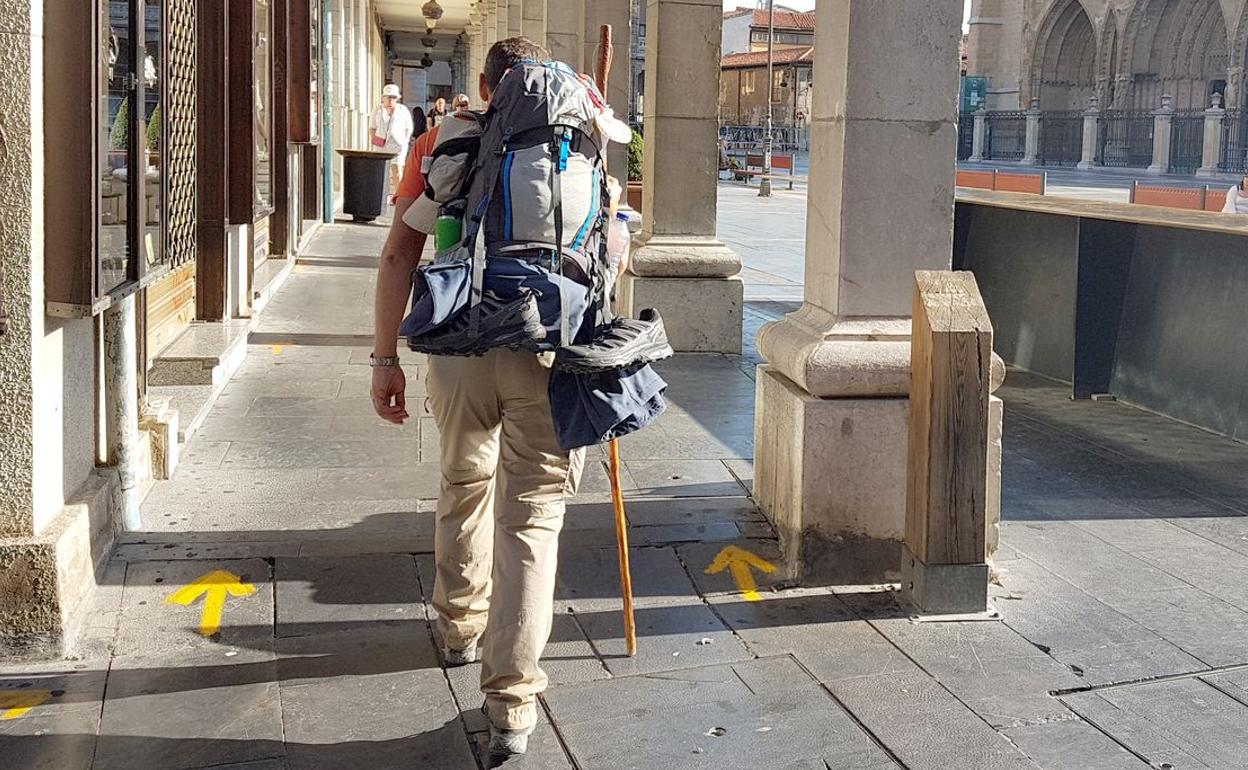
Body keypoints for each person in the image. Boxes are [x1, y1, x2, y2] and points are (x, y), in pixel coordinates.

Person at [371, 37, 598, 762]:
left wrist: (384, 357)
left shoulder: (450, 138)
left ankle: (459, 626)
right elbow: (610, 251)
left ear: (484, 83)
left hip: (464, 343)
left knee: (463, 483)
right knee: (533, 522)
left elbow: (400, 251)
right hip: (549, 347)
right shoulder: (582, 142)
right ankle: (513, 704)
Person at [370, 84, 415, 199]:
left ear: (397, 98)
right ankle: (380, 195)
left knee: (397, 169)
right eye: (388, 97)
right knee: (381, 170)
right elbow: (372, 127)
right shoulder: (378, 109)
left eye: (393, 97)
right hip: (381, 145)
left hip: (397, 144)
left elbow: (408, 127)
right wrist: (374, 139)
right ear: (383, 97)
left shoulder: (402, 110)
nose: (390, 100)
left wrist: (404, 140)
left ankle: (398, 195)